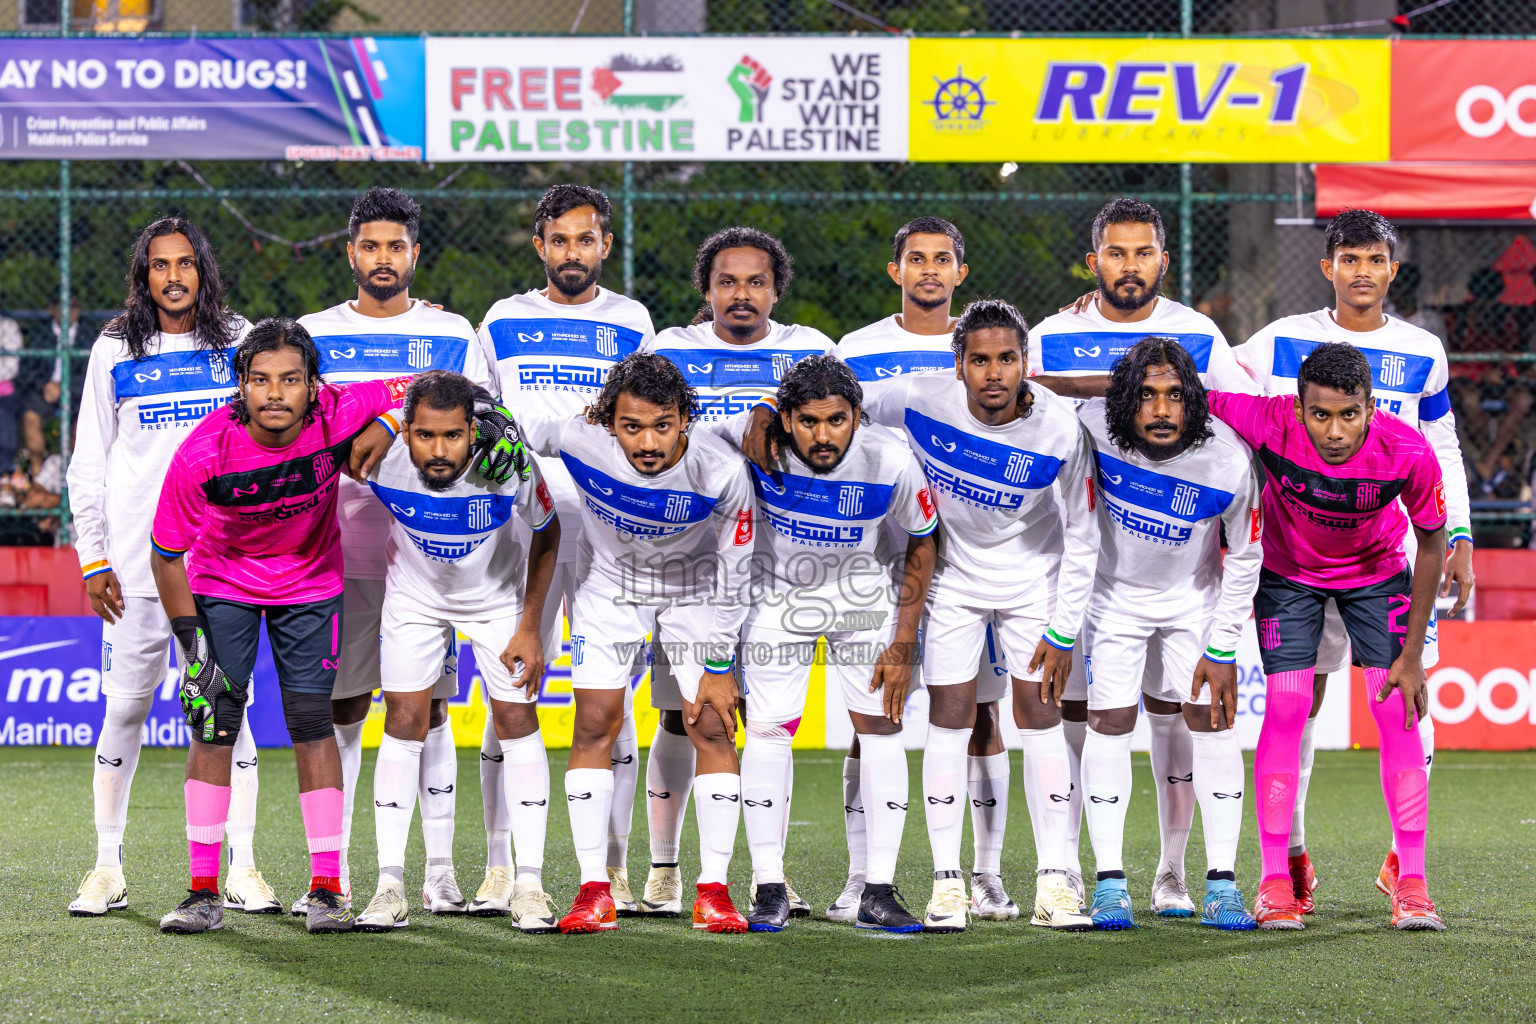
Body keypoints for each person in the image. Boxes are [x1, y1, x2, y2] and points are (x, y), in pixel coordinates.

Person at [1232, 208, 1473, 912]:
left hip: (1387, 559)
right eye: (1349, 259)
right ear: (1327, 266)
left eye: (1375, 260)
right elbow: (1216, 380)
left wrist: (1458, 533)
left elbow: (1443, 448)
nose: (1362, 272)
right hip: (1295, 554)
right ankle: (1292, 861)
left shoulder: (1424, 349)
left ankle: (1406, 865)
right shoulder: (1282, 341)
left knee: (1405, 703)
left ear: (1393, 270)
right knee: (1297, 709)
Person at [1030, 197, 1260, 917]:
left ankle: (1190, 876)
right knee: (1093, 719)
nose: (1130, 267)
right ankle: (1087, 875)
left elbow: (1241, 414)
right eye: (1116, 253)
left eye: (1143, 253)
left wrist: (1223, 641)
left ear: (1163, 258)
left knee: (1194, 719)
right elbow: (1019, 406)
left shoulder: (1200, 337)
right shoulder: (1053, 334)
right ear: (1093, 259)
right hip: (1083, 568)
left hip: (1191, 585)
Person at [148, 318, 415, 934]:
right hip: (223, 583)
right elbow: (166, 556)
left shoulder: (341, 407)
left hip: (310, 582)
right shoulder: (202, 452)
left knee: (312, 722)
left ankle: (325, 889)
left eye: (290, 380)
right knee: (214, 720)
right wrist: (195, 651)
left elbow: (422, 386)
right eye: (260, 380)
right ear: (240, 385)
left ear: (313, 384)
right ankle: (203, 891)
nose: (275, 394)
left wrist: (388, 421)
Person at [856, 299, 1100, 932]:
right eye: (981, 360)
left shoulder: (1060, 429)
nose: (995, 373)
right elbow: (837, 391)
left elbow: (1083, 533)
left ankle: (1055, 879)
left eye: (1008, 359)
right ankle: (947, 884)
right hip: (953, 582)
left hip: (1033, 585)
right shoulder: (916, 396)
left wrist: (1064, 628)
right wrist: (771, 409)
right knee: (951, 718)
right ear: (958, 364)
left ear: (1026, 364)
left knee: (1039, 716)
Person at [64, 218, 271, 917]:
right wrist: (94, 557)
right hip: (135, 564)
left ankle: (242, 866)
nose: (174, 277)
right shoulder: (115, 346)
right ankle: (106, 865)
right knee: (124, 709)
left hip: (224, 567)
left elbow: (265, 442)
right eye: (160, 266)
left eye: (186, 264)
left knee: (228, 715)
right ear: (143, 273)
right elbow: (89, 459)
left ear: (203, 270)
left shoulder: (239, 341)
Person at [299, 186, 494, 916]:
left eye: (397, 246)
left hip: (427, 552)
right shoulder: (313, 332)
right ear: (351, 253)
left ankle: (439, 873)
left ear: (416, 254)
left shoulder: (454, 334)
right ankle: (335, 871)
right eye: (371, 246)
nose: (384, 258)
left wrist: (387, 413)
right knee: (344, 706)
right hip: (335, 546)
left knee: (429, 707)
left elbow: (482, 418)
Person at [1205, 343, 1448, 932]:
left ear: (1370, 407)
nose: (1334, 430)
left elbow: (1434, 545)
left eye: (1348, 414)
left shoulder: (1409, 450)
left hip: (1378, 572)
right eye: (1320, 415)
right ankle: (1276, 882)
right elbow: (1185, 394)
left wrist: (1412, 657)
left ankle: (1410, 881)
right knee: (1287, 705)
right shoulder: (1266, 419)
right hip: (1287, 577)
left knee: (1396, 709)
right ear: (1297, 406)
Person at [515, 353, 756, 934]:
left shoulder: (720, 471)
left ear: (685, 420)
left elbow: (736, 574)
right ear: (606, 421)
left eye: (663, 425)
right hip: (610, 587)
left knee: (711, 724)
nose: (648, 441)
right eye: (632, 426)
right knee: (594, 722)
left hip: (695, 590)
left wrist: (719, 666)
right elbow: (509, 422)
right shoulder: (579, 435)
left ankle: (714, 893)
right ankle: (594, 890)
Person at [641, 226, 833, 919]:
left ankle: (767, 876)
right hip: (689, 564)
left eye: (756, 281)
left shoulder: (809, 349)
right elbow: (643, 427)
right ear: (707, 290)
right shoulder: (670, 350)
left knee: (765, 719)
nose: (741, 294)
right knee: (682, 712)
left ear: (776, 289)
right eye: (727, 281)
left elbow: (832, 430)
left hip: (783, 562)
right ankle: (664, 870)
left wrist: (772, 410)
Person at [473, 183, 655, 917]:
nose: (572, 252)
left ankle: (607, 870)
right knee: (508, 689)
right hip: (522, 525)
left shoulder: (633, 321)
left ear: (605, 246)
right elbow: (480, 418)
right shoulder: (502, 320)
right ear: (541, 244)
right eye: (560, 239)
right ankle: (497, 866)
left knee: (611, 700)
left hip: (614, 525)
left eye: (587, 239)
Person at [835, 216, 1018, 923]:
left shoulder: (982, 346)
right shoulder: (860, 349)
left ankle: (987, 874)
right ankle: (859, 877)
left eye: (944, 258)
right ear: (896, 272)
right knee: (867, 715)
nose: (930, 271)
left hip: (970, 556)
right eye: (917, 259)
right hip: (881, 550)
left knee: (978, 712)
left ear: (961, 273)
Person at [716, 355, 936, 933]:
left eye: (837, 420)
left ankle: (878, 891)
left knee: (881, 731)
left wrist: (904, 640)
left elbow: (922, 538)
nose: (823, 435)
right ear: (786, 419)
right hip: (776, 599)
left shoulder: (890, 459)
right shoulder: (753, 440)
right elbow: (696, 436)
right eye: (808, 421)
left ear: (857, 417)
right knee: (766, 734)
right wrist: (758, 414)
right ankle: (769, 887)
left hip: (861, 599)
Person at [353, 371, 561, 934]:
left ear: (473, 430)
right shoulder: (380, 456)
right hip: (414, 596)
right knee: (403, 722)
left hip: (494, 600)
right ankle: (390, 884)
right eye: (424, 436)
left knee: (517, 720)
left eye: (451, 436)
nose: (438, 451)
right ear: (405, 430)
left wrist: (530, 625)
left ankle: (530, 884)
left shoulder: (506, 462)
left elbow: (547, 531)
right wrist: (381, 419)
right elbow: (330, 404)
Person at [1072, 337, 1261, 931]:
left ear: (1192, 401)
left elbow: (1247, 555)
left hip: (1192, 606)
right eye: (1147, 396)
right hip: (1113, 603)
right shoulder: (1091, 429)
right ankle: (1109, 883)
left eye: (1175, 396)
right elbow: (1034, 403)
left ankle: (1219, 883)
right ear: (1124, 401)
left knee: (1210, 723)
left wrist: (1224, 644)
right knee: (1109, 724)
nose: (1160, 410)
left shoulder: (1226, 457)